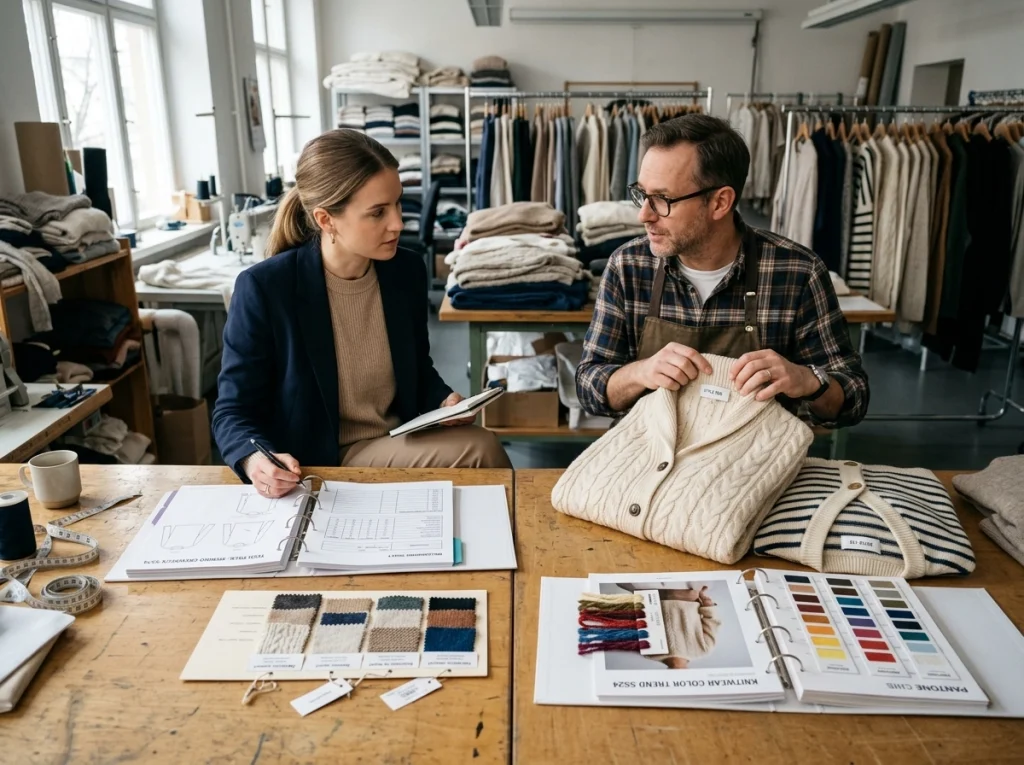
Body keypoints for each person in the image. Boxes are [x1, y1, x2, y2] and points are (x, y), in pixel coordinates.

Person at [213, 129, 511, 497]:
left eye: (398, 204)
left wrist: (443, 399)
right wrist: (253, 460)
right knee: (482, 449)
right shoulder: (265, 288)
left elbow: (418, 368)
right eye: (378, 213)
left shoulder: (405, 271)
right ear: (326, 220)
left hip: (393, 439)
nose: (398, 223)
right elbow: (232, 410)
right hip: (314, 460)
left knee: (478, 447)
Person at [576, 114, 869, 429]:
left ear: (720, 202)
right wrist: (640, 372)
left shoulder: (798, 272)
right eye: (642, 194)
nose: (643, 215)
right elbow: (589, 387)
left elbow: (853, 398)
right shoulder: (628, 266)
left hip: (755, 464)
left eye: (662, 199)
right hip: (646, 457)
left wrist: (808, 380)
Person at [619, 583, 721, 669]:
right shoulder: (703, 649)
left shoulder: (649, 653)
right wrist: (707, 603)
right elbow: (711, 622)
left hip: (650, 593)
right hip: (686, 595)